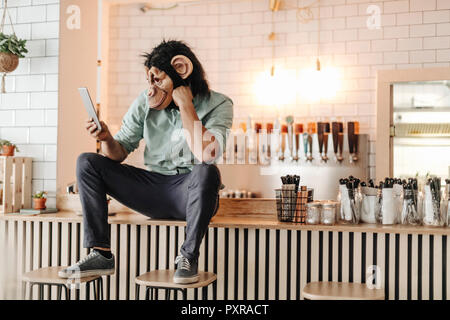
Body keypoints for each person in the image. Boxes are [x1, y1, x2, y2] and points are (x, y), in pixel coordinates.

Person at [58, 40, 233, 284]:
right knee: (87, 162)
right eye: (149, 81)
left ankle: (188, 257)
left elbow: (207, 154)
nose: (150, 89)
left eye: (157, 80)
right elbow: (118, 154)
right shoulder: (144, 102)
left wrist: (185, 104)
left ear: (180, 70)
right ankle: (100, 253)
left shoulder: (220, 104)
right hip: (153, 190)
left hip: (192, 192)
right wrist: (106, 137)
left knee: (207, 171)